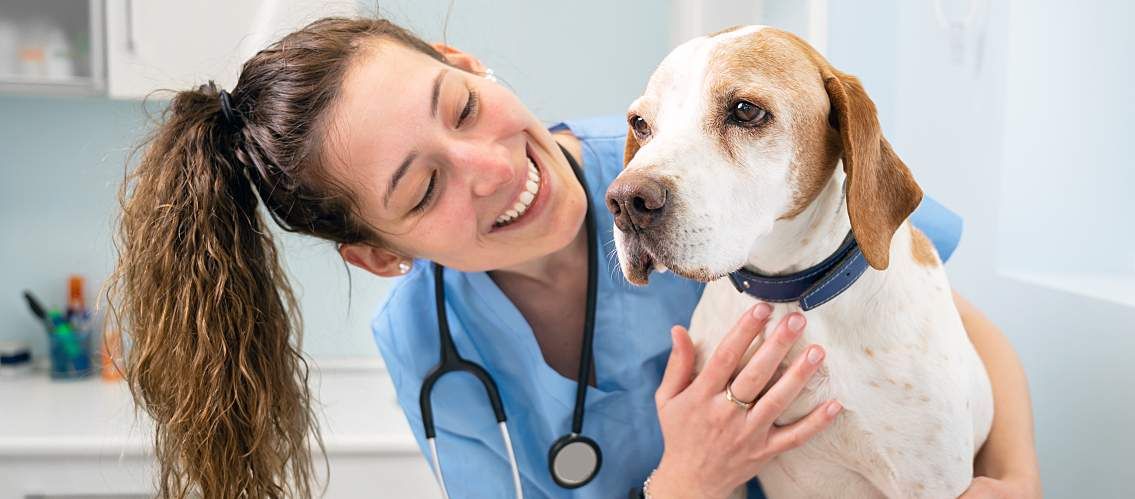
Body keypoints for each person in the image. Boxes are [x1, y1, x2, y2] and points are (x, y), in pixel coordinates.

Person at [108, 17, 1041, 499]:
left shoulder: (653, 165)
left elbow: (946, 319)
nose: (490, 167)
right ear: (379, 257)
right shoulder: (430, 348)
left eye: (462, 107)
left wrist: (1019, 478)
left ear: (467, 61)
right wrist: (688, 478)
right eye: (422, 190)